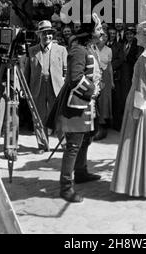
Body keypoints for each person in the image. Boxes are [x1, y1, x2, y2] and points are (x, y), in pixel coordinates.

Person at [46, 14, 103, 203]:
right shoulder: (78, 50)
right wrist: (93, 90)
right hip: (76, 105)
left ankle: (81, 172)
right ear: (90, 32)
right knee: (73, 146)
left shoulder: (88, 48)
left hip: (86, 104)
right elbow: (75, 78)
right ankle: (66, 187)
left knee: (86, 139)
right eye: (98, 29)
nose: (101, 32)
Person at [110, 21, 146, 198]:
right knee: (140, 141)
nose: (136, 37)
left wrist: (138, 107)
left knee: (133, 139)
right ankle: (139, 182)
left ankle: (136, 184)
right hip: (145, 101)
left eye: (139, 34)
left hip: (140, 101)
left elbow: (145, 85)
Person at [24, 20, 67, 153]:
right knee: (39, 117)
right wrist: (24, 89)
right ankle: (43, 145)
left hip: (56, 87)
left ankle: (65, 144)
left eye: (49, 33)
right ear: (39, 35)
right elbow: (27, 71)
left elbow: (66, 71)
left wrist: (65, 87)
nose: (47, 36)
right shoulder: (32, 51)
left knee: (59, 116)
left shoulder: (61, 50)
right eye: (44, 33)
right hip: (38, 87)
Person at [94, 31, 114, 140]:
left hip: (105, 75)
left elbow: (110, 66)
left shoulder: (109, 50)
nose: (104, 37)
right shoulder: (92, 48)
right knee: (95, 98)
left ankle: (102, 123)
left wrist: (111, 81)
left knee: (104, 100)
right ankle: (95, 123)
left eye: (106, 36)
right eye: (102, 35)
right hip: (94, 75)